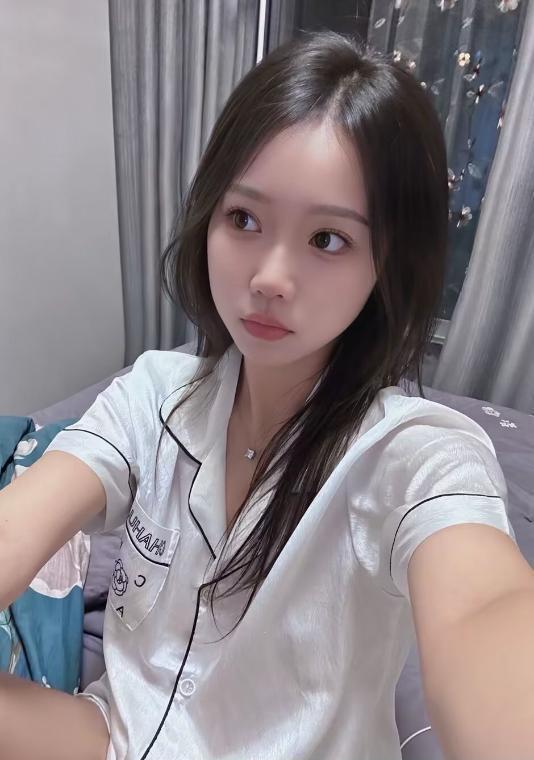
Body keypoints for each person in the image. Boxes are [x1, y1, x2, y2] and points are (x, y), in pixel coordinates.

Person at [0, 29, 523, 760]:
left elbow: (486, 608)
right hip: (114, 734)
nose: (271, 277)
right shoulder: (154, 393)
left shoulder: (416, 455)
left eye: (328, 239)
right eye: (243, 219)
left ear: (386, 264)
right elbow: (22, 520)